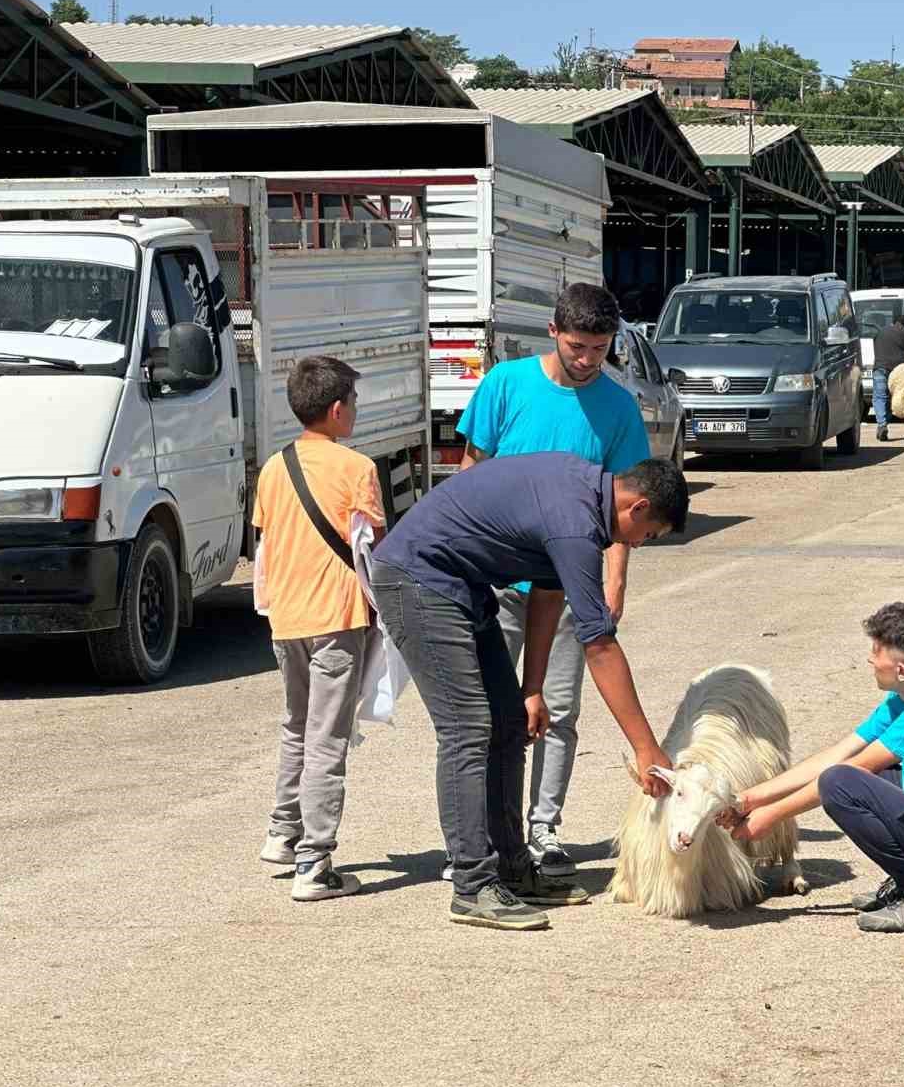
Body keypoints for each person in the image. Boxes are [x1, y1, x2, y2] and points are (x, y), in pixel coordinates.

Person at [370, 453, 688, 930]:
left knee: (509, 722)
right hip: (418, 579)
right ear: (637, 507)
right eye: (650, 535)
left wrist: (531, 688)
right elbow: (599, 644)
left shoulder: (584, 500)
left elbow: (547, 593)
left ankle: (512, 870)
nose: (640, 545)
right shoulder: (575, 525)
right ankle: (474, 885)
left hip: (461, 582)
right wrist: (646, 749)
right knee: (467, 728)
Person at [457, 282, 649, 879]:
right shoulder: (505, 385)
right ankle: (488, 833)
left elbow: (626, 504)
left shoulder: (619, 407)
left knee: (559, 710)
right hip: (496, 583)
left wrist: (614, 582)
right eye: (578, 346)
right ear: (552, 332)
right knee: (486, 713)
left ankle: (544, 831)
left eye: (600, 347)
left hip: (569, 582)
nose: (589, 359)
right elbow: (470, 476)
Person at [719, 602, 904, 933]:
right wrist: (749, 799)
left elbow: (848, 773)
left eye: (876, 652)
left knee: (841, 783)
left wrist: (769, 818)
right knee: (859, 777)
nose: (869, 659)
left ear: (902, 670)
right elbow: (837, 754)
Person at [252, 355, 387, 901]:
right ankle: (315, 861)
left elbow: (263, 547)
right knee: (328, 737)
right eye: (353, 404)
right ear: (336, 410)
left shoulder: (272, 466)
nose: (355, 412)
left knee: (297, 725)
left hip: (286, 617)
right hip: (337, 616)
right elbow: (369, 548)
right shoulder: (357, 469)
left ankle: (283, 834)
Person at [870, 312, 904, 442]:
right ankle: (887, 421)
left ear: (892, 322)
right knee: (896, 398)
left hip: (880, 368)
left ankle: (882, 424)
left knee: (880, 397)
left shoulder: (880, 332)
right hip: (897, 372)